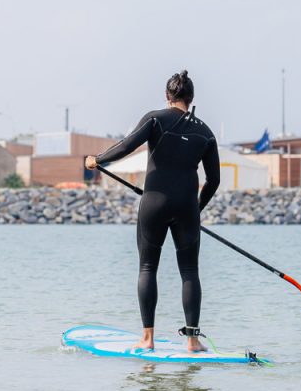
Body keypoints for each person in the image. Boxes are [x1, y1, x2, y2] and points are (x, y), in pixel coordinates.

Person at [84, 70, 220, 352]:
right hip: (186, 208)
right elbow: (214, 180)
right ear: (192, 98)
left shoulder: (155, 118)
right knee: (190, 271)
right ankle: (193, 341)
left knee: (148, 268)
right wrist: (195, 209)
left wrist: (97, 160)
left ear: (167, 96)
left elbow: (126, 146)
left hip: (154, 204)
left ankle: (147, 338)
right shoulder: (206, 132)